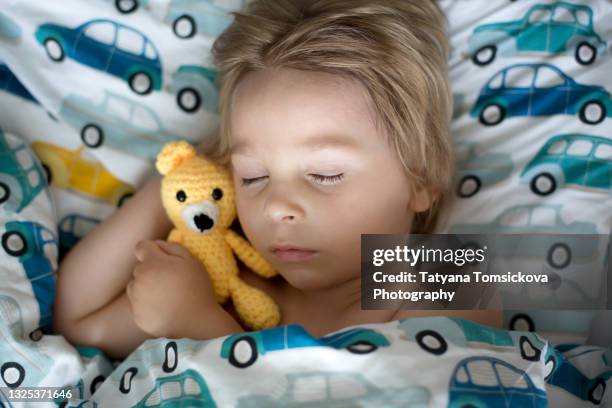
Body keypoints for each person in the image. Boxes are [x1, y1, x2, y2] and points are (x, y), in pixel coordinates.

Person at [53, 0, 501, 361]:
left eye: (325, 174)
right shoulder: (230, 281)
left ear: (421, 179)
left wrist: (200, 326)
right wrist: (189, 177)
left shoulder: (449, 277)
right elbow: (80, 320)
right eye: (253, 176)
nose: (274, 207)